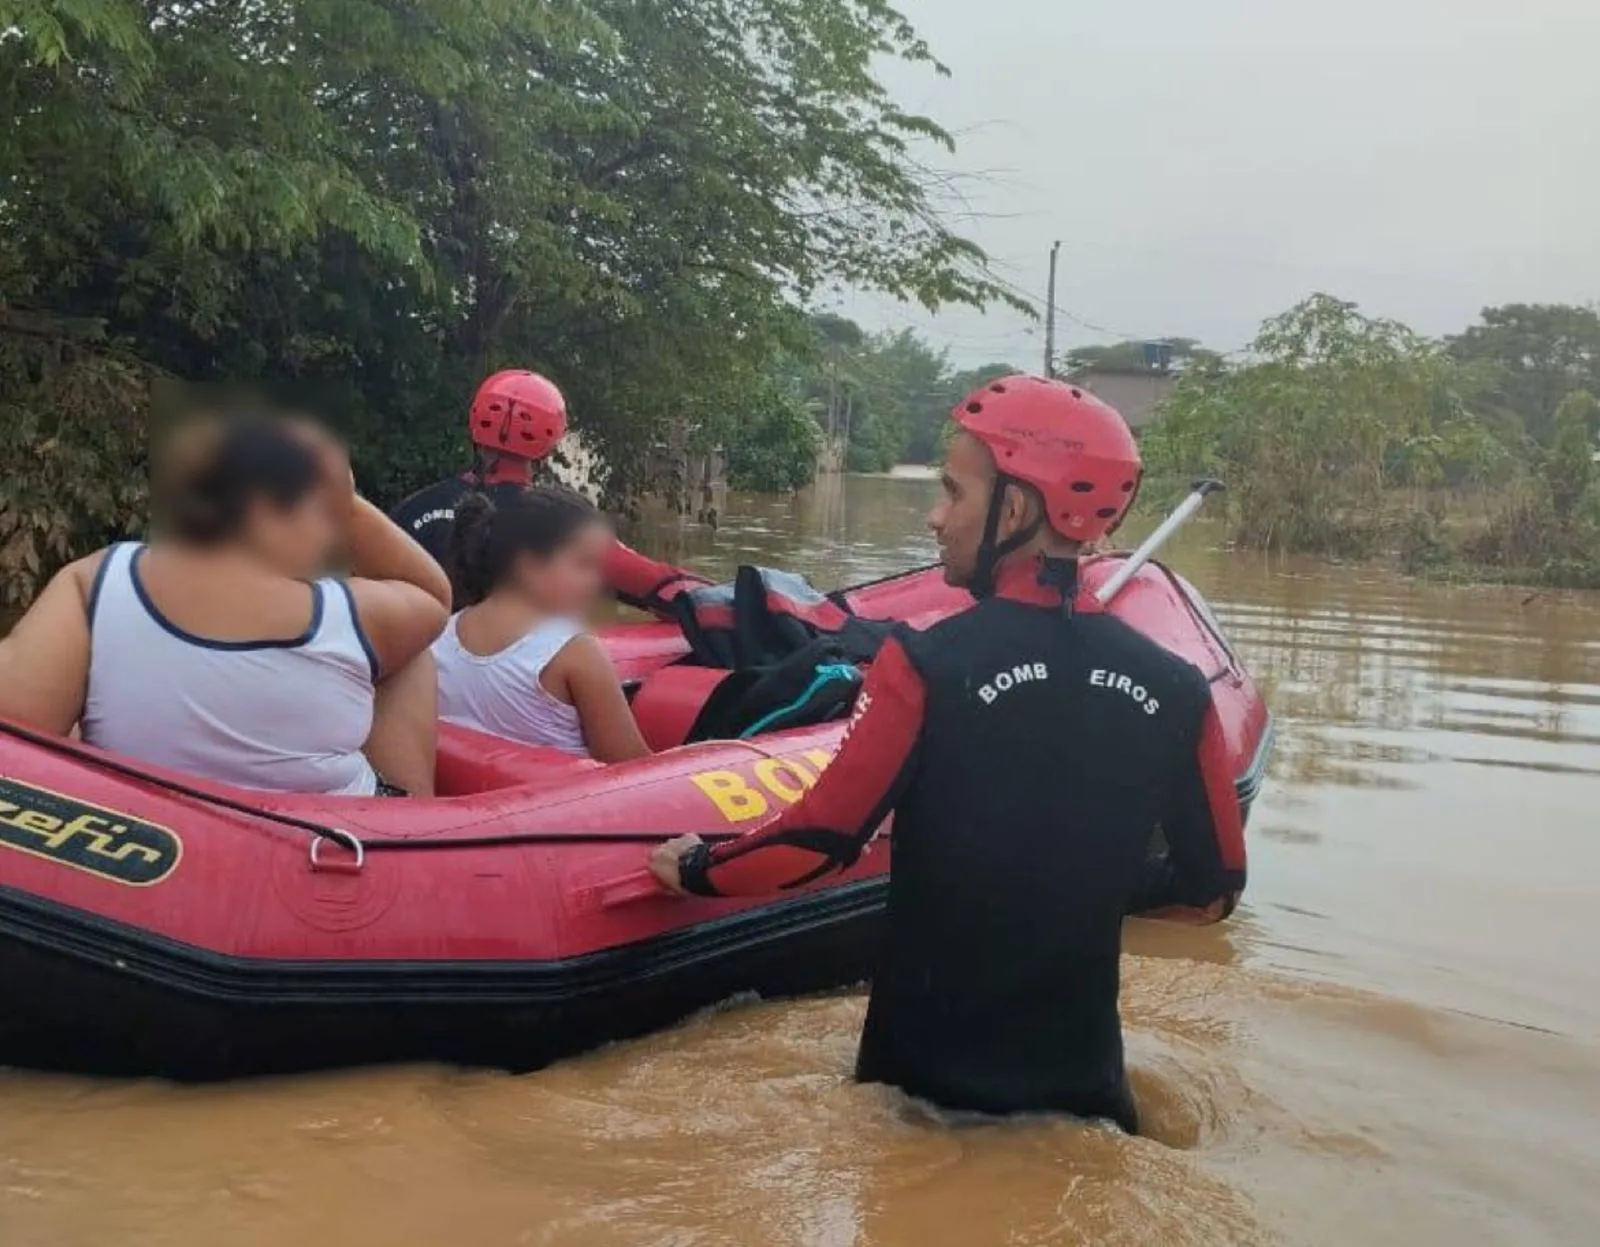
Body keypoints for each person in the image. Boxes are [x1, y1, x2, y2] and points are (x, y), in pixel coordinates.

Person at [648, 375, 1247, 1132]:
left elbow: (819, 843)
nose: (936, 517)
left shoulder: (925, 663)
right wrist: (1070, 904)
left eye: (953, 492)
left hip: (919, 1104)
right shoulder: (1178, 687)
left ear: (1018, 509)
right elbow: (1214, 892)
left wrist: (696, 866)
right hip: (1088, 1109)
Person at [0, 413, 451, 796]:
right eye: (326, 515)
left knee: (77, 703)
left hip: (142, 839)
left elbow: (16, 725)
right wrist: (348, 501)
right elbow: (433, 594)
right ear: (265, 510)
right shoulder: (353, 616)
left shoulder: (97, 582)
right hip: (329, 854)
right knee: (413, 654)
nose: (333, 536)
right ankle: (416, 824)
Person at [389, 368, 704, 613]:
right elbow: (653, 583)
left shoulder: (412, 508)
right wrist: (729, 598)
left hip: (414, 671)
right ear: (551, 439)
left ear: (475, 422)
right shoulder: (559, 519)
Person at [434, 485, 650, 762]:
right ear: (529, 565)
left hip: (474, 798)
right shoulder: (574, 651)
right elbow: (633, 769)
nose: (596, 582)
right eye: (584, 565)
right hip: (567, 801)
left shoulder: (437, 637)